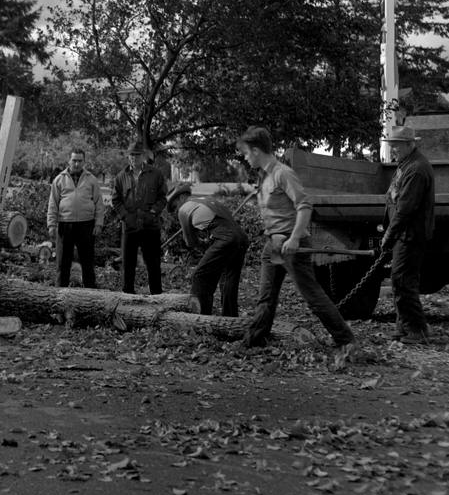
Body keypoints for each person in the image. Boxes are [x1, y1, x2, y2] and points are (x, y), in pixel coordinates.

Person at [236, 126, 357, 366]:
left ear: (257, 150)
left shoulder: (283, 173)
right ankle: (255, 339)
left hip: (292, 245)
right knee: (266, 296)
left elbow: (304, 206)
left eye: (247, 153)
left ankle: (346, 340)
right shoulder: (265, 176)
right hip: (272, 245)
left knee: (313, 297)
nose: (246, 157)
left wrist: (294, 238)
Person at [381, 124, 435, 343]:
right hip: (405, 234)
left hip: (410, 234)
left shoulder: (417, 169)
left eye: (397, 146)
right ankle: (404, 326)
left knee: (402, 281)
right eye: (392, 146)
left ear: (410, 145)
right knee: (400, 279)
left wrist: (389, 235)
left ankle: (417, 330)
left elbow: (405, 209)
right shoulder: (407, 164)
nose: (393, 150)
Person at [166, 182, 249, 317]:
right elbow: (222, 225)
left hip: (225, 239)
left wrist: (203, 245)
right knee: (229, 278)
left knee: (200, 275)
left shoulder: (184, 210)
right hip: (241, 237)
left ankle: (202, 319)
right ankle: (230, 318)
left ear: (181, 198)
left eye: (174, 206)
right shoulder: (207, 200)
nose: (176, 210)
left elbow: (191, 242)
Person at [112, 140, 168, 294]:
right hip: (129, 226)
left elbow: (163, 198)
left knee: (153, 263)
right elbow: (115, 200)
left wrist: (153, 213)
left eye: (136, 155)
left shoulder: (155, 174)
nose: (133, 158)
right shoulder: (120, 177)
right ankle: (127, 295)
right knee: (128, 263)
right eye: (131, 155)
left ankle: (157, 296)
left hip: (150, 225)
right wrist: (125, 216)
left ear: (143, 156)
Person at [46, 148, 105, 287]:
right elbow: (53, 203)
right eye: (74, 160)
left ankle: (90, 295)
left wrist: (98, 224)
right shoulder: (59, 179)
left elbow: (99, 203)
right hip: (65, 225)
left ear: (84, 162)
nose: (77, 164)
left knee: (88, 263)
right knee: (62, 263)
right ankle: (59, 295)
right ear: (69, 161)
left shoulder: (91, 180)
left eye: (80, 161)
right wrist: (51, 225)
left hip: (86, 225)